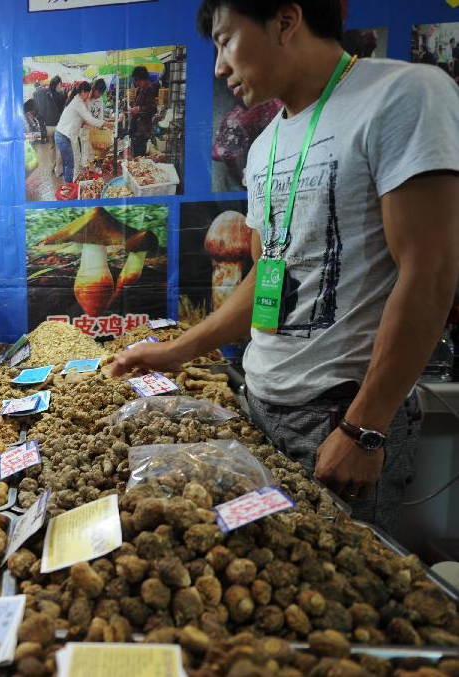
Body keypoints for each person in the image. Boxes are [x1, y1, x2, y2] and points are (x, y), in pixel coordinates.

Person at [112, 0, 459, 534]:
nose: (219, 66)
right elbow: (268, 276)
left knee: (340, 598)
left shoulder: (405, 94)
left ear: (286, 20)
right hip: (261, 407)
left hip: (339, 416)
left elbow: (430, 271)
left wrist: (365, 428)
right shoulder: (266, 142)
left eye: (226, 40)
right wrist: (177, 351)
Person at [55, 82, 106, 184]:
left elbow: (84, 120)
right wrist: (105, 123)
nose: (88, 96)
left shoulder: (79, 101)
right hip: (63, 136)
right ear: (83, 92)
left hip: (69, 135)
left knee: (74, 161)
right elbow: (89, 119)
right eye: (88, 93)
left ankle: (72, 183)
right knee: (70, 163)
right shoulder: (78, 102)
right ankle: (69, 186)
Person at [35, 76, 65, 175]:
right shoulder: (61, 96)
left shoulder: (45, 94)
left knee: (51, 146)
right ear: (57, 84)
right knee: (59, 147)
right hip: (58, 125)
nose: (61, 86)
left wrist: (42, 124)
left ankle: (53, 165)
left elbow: (42, 111)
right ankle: (59, 170)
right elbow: (63, 111)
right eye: (60, 84)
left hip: (48, 126)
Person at [129, 66, 160, 157]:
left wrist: (139, 109)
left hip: (142, 131)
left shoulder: (149, 89)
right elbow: (137, 104)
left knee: (139, 157)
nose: (136, 83)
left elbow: (153, 109)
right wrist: (132, 107)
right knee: (135, 155)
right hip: (135, 129)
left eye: (138, 80)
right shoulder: (139, 90)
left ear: (143, 79)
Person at [79, 79, 107, 171]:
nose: (99, 95)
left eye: (101, 93)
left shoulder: (100, 99)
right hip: (85, 128)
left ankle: (91, 168)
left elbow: (101, 114)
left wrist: (101, 125)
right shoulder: (87, 98)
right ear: (94, 89)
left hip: (94, 128)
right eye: (98, 92)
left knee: (91, 149)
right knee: (85, 149)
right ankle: (84, 168)